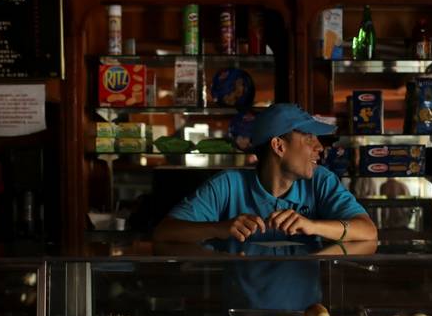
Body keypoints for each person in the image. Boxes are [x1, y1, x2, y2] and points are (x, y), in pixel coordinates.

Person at [153, 103, 377, 244]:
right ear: (279, 146)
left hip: (307, 312)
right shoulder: (228, 185)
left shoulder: (321, 180)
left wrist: (312, 225)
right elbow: (164, 232)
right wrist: (219, 228)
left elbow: (368, 230)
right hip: (241, 311)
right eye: (309, 138)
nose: (319, 148)